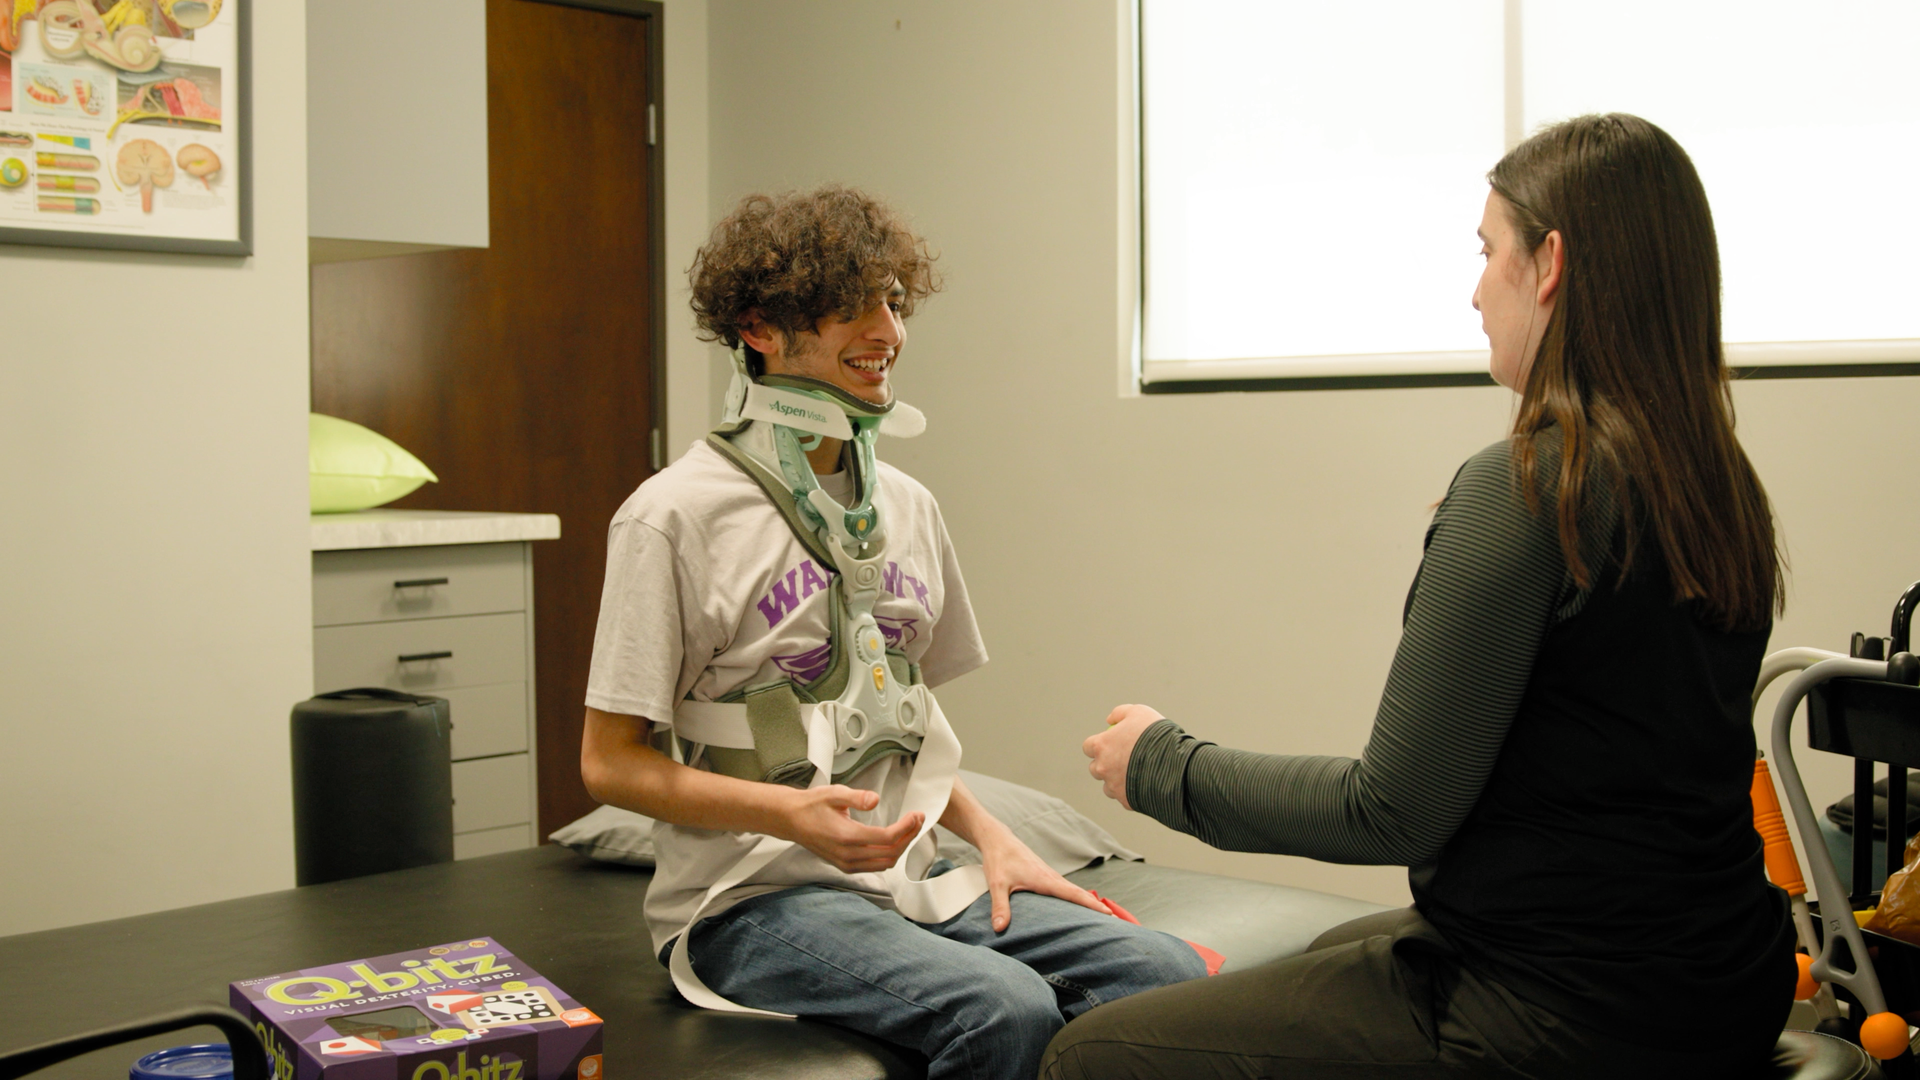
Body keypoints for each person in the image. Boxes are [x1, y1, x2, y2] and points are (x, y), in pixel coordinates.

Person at [1046, 114, 1796, 1079]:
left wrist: (1162, 764)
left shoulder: (1531, 487)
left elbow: (1393, 811)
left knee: (1089, 1055)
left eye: (1489, 253)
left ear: (1552, 262)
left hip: (1563, 1012)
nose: (1476, 290)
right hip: (1726, 981)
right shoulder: (1717, 484)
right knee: (1323, 958)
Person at [579, 185, 1206, 1080]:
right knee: (1004, 1009)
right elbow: (608, 764)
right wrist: (792, 814)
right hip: (748, 898)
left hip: (905, 877)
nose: (889, 330)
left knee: (1164, 975)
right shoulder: (672, 519)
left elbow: (893, 718)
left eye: (895, 301)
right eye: (851, 305)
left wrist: (993, 838)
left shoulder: (907, 508)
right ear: (758, 327)